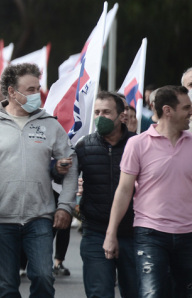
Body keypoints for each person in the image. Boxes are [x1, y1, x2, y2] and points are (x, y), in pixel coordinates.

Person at [0, 62, 77, 298]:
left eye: (37, 88)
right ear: (11, 91)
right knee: (6, 287)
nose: (36, 95)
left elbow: (71, 164)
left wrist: (65, 206)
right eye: (30, 89)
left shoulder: (49, 124)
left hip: (39, 218)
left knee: (43, 277)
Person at [103, 85, 192, 296]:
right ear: (168, 111)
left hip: (188, 234)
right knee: (152, 293)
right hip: (150, 234)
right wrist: (111, 233)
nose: (191, 112)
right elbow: (124, 190)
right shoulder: (137, 144)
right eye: (187, 107)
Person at [75, 91, 138, 297]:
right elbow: (65, 182)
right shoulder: (84, 146)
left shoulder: (138, 145)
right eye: (96, 112)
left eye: (106, 112)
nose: (100, 117)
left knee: (136, 292)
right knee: (99, 292)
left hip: (133, 232)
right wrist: (58, 169)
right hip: (95, 232)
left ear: (122, 116)